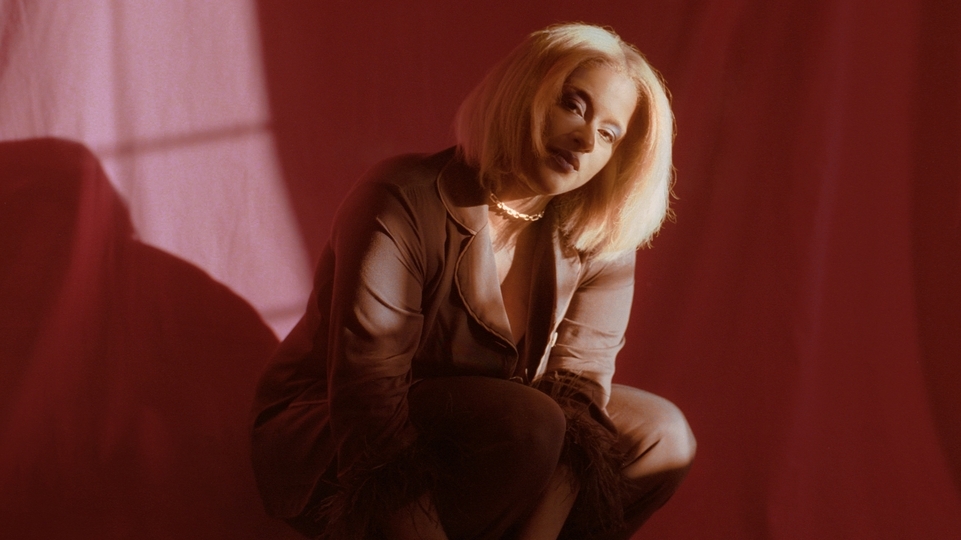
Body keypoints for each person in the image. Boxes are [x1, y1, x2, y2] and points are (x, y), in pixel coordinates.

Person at [251, 22, 696, 540]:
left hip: (506, 427)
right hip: (335, 432)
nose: (583, 138)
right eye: (573, 105)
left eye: (607, 134)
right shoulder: (401, 198)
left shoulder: (597, 234)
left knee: (659, 436)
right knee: (527, 422)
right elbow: (368, 396)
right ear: (526, 92)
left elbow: (578, 403)